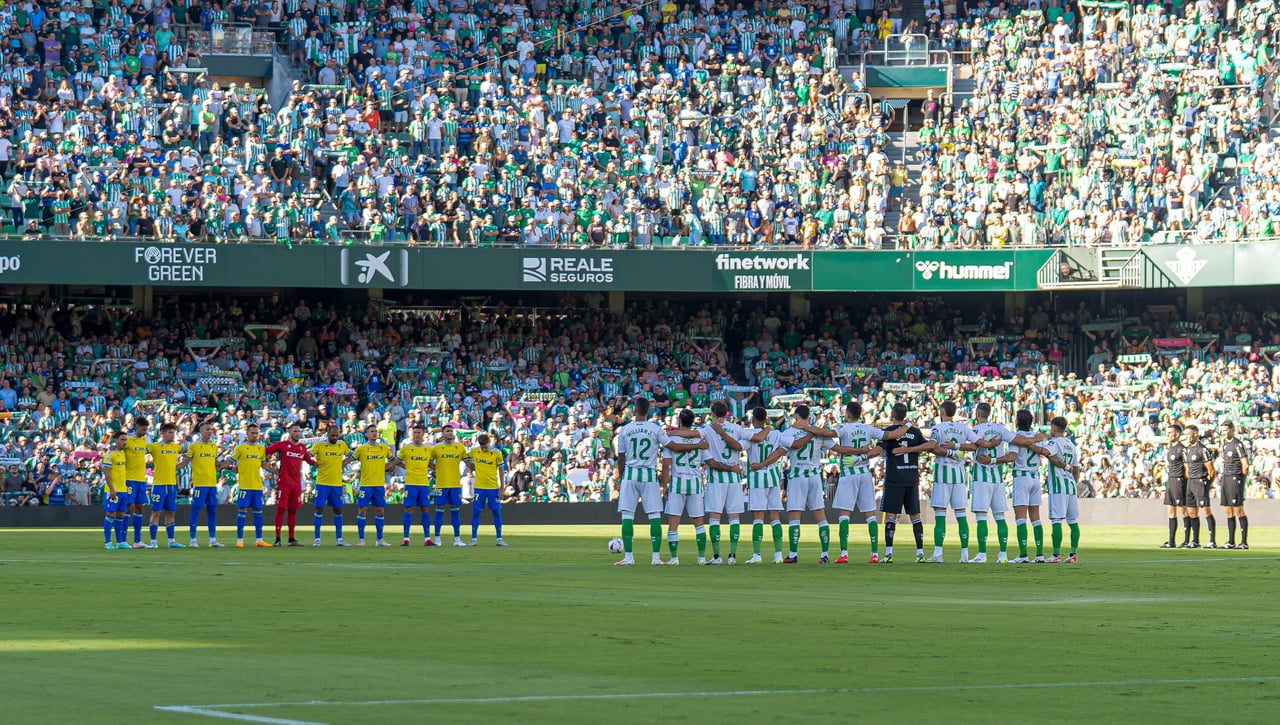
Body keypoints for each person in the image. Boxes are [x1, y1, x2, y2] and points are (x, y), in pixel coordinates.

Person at [613, 396, 703, 566]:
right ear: (648, 411)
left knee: (627, 516)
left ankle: (629, 557)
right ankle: (655, 557)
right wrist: (697, 445)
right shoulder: (655, 429)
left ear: (634, 410)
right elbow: (674, 447)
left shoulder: (625, 429)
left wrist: (621, 477)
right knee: (654, 516)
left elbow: (621, 458)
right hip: (649, 474)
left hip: (631, 474)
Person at [830, 401, 905, 564]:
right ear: (860, 414)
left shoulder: (842, 428)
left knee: (844, 514)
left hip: (848, 473)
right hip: (865, 473)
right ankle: (874, 554)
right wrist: (908, 426)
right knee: (870, 514)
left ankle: (844, 553)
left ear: (848, 414)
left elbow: (829, 435)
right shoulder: (867, 428)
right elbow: (890, 435)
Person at [968, 402, 1037, 564]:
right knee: (1000, 517)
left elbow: (971, 446)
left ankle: (982, 554)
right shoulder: (1000, 429)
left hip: (981, 478)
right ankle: (1002, 555)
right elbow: (1018, 440)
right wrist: (1035, 438)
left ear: (978, 414)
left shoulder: (976, 430)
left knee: (981, 517)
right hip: (998, 480)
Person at [924, 401, 979, 563]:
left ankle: (938, 553)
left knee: (940, 515)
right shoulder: (963, 428)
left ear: (942, 411)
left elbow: (932, 447)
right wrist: (958, 451)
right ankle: (964, 554)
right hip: (959, 477)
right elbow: (976, 446)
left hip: (942, 477)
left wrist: (948, 452)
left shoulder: (938, 428)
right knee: (961, 515)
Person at [779, 405, 834, 564]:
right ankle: (824, 554)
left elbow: (794, 446)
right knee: (820, 515)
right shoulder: (818, 432)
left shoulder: (788, 433)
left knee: (794, 516)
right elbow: (836, 446)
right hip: (815, 477)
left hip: (798, 476)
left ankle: (793, 554)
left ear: (795, 416)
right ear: (809, 416)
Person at [698, 401, 748, 565]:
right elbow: (749, 439)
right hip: (734, 478)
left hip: (716, 478)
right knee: (734, 517)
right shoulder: (736, 428)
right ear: (726, 413)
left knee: (714, 517)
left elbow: (694, 437)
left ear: (712, 414)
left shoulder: (707, 429)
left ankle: (717, 556)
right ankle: (732, 556)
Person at [881, 403, 931, 563]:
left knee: (891, 515)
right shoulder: (915, 431)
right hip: (911, 479)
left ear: (892, 414)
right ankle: (920, 553)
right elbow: (930, 445)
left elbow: (879, 449)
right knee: (915, 516)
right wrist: (912, 449)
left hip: (894, 479)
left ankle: (888, 554)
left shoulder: (889, 432)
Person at [660, 410, 707, 565]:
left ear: (679, 420)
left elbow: (666, 465)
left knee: (673, 523)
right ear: (693, 421)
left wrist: (664, 485)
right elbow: (706, 462)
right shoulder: (699, 438)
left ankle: (674, 558)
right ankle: (701, 558)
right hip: (695, 482)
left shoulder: (670, 439)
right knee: (698, 523)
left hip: (677, 482)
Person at [744, 406, 790, 565]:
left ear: (752, 419)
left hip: (757, 477)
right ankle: (778, 554)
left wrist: (760, 464)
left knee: (758, 518)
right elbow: (782, 450)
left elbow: (740, 447)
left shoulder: (749, 434)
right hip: (773, 477)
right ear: (766, 419)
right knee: (775, 517)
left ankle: (757, 555)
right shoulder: (776, 434)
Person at [266, 422, 316, 546]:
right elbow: (266, 451)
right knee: (281, 509)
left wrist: (322, 460)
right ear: (289, 432)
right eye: (294, 431)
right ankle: (277, 539)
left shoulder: (302, 448)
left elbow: (310, 461)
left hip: (296, 484)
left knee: (293, 510)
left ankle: (291, 539)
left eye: (298, 431)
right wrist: (267, 465)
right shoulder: (282, 445)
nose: (297, 433)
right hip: (284, 483)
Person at [1010, 409, 1051, 563]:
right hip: (1035, 477)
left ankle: (1023, 555)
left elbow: (1013, 456)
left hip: (1021, 477)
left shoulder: (1015, 437)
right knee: (1036, 518)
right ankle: (1040, 554)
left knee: (1020, 518)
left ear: (1018, 421)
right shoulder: (1038, 436)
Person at [1041, 417, 1081, 563]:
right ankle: (1073, 554)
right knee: (1072, 521)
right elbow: (1076, 468)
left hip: (1058, 485)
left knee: (1056, 520)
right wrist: (1074, 483)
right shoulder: (1071, 444)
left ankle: (1056, 555)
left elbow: (1050, 456)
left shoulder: (1053, 442)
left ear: (1054, 428)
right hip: (1071, 486)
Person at [352, 424, 399, 547]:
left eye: (376, 431)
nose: (374, 433)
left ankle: (380, 540)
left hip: (379, 485)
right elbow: (350, 459)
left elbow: (394, 460)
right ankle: (361, 539)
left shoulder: (383, 448)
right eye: (371, 431)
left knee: (380, 510)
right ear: (367, 434)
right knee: (362, 510)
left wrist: (384, 467)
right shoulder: (361, 449)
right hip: (365, 485)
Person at [309, 423, 352, 546]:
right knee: (319, 509)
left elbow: (352, 456)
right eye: (332, 435)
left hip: (336, 484)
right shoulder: (319, 445)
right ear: (327, 434)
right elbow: (307, 456)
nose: (335, 437)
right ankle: (317, 538)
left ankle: (339, 539)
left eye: (337, 435)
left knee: (338, 509)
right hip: (322, 483)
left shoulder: (341, 445)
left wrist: (342, 464)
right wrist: (315, 463)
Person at [146, 422, 187, 548]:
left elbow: (187, 453)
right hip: (159, 485)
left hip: (171, 485)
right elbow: (140, 451)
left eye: (173, 433)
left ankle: (171, 541)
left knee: (171, 512)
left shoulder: (176, 447)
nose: (172, 435)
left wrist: (183, 463)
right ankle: (153, 541)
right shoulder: (154, 447)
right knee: (156, 512)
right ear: (162, 433)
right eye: (169, 432)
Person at [230, 424, 271, 548]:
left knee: (258, 511)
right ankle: (239, 540)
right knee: (242, 511)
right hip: (244, 486)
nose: (255, 435)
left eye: (256, 433)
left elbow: (263, 465)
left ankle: (259, 539)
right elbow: (232, 464)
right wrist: (232, 468)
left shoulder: (261, 449)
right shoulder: (240, 448)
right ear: (247, 434)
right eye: (252, 433)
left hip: (257, 486)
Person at [186, 420, 225, 548]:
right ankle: (192, 540)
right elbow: (186, 462)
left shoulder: (214, 446)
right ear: (201, 431)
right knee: (196, 511)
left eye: (211, 429)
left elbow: (216, 464)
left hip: (211, 484)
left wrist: (228, 462)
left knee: (212, 511)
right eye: (207, 429)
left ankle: (213, 540)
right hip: (199, 484)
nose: (210, 431)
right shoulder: (193, 446)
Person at [429, 424, 468, 546]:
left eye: (451, 431)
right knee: (439, 510)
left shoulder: (460, 447)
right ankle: (437, 538)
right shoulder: (436, 448)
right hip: (441, 484)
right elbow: (428, 462)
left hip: (455, 484)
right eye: (447, 431)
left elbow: (468, 462)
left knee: (455, 511)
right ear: (443, 433)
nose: (450, 433)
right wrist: (436, 469)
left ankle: (457, 539)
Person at [466, 433, 507, 547]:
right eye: (482, 446)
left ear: (489, 442)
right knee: (476, 511)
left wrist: (502, 487)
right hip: (479, 488)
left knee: (496, 511)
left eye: (485, 446)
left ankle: (499, 539)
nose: (484, 448)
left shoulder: (496, 453)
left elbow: (501, 470)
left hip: (493, 488)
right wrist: (471, 466)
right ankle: (473, 539)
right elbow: (464, 457)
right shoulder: (475, 451)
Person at [399, 422, 436, 546]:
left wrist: (437, 469)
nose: (416, 435)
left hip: (424, 484)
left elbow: (430, 463)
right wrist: (407, 467)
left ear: (423, 434)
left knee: (425, 508)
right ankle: (406, 538)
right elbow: (397, 461)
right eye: (414, 432)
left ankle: (427, 539)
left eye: (418, 432)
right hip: (410, 483)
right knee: (408, 509)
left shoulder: (428, 449)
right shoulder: (406, 448)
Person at [1181, 425, 1216, 548]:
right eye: (1185, 435)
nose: (1186, 437)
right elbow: (1186, 469)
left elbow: (1211, 470)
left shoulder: (1202, 449)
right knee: (1191, 512)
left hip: (1200, 482)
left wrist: (1207, 484)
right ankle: (1195, 540)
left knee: (1205, 511)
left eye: (1188, 434)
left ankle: (1212, 540)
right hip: (1190, 482)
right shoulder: (1186, 450)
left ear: (1195, 434)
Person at [1218, 421, 1250, 549]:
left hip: (1235, 478)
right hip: (1225, 478)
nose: (1224, 433)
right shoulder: (1225, 444)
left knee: (1238, 509)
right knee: (1228, 510)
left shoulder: (1238, 444)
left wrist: (1240, 479)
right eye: (1223, 430)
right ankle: (1231, 541)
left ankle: (1243, 542)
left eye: (1226, 430)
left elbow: (1245, 465)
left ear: (1232, 429)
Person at [124, 417, 152, 549]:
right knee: (128, 507)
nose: (145, 432)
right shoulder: (128, 439)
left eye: (146, 429)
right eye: (143, 429)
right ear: (137, 427)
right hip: (129, 478)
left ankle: (137, 540)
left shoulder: (146, 439)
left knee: (140, 507)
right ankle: (122, 540)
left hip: (141, 479)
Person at [1160, 424, 1188, 549]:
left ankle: (1187, 540)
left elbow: (1187, 467)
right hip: (1170, 480)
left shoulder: (1182, 449)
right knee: (1171, 511)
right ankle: (1171, 541)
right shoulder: (1170, 448)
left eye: (1170, 433)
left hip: (1179, 480)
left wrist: (1184, 481)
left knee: (1183, 511)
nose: (1168, 435)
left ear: (1177, 434)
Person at [102, 432, 131, 550]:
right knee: (110, 514)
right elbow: (106, 473)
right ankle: (108, 542)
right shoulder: (109, 454)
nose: (124, 442)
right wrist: (112, 489)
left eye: (125, 440)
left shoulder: (124, 453)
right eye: (122, 439)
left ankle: (120, 542)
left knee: (121, 516)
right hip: (113, 490)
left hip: (123, 490)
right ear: (115, 440)